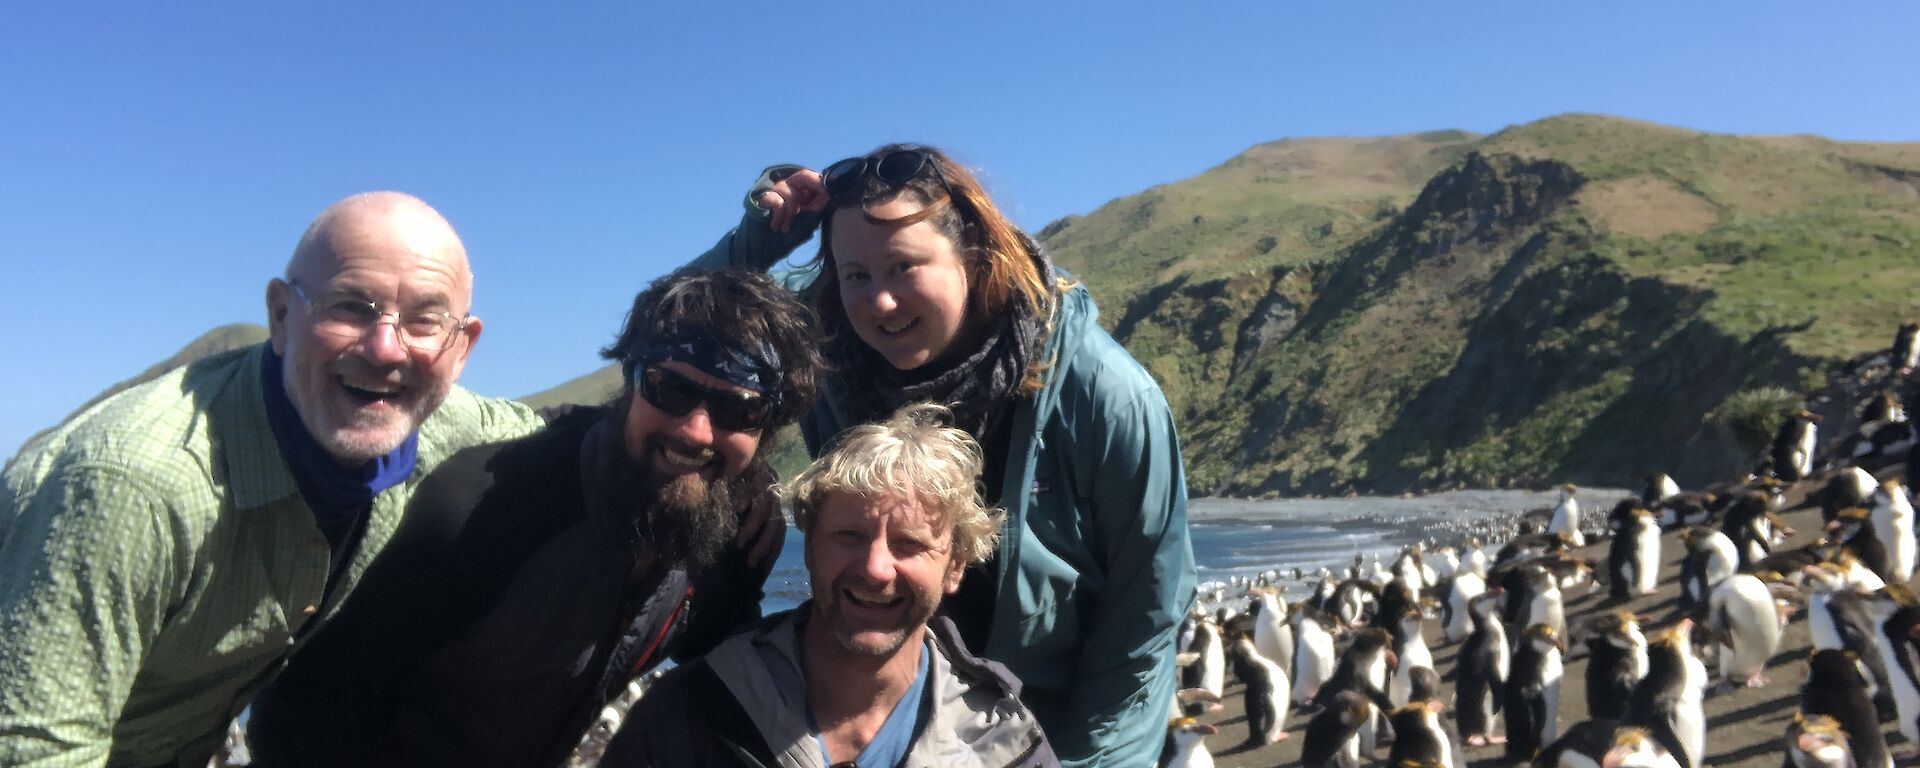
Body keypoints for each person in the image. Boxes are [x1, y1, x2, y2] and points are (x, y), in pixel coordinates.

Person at [0, 192, 546, 767]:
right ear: (282, 316)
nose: (386, 349)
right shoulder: (140, 489)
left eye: (425, 321)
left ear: (461, 348)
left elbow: (557, 437)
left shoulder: (444, 427)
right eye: (351, 307)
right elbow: (32, 749)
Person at [692, 145, 1197, 767]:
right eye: (856, 275)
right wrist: (759, 242)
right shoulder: (830, 347)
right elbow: (681, 332)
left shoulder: (1105, 396)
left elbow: (1142, 621)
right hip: (891, 726)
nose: (879, 301)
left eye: (904, 266)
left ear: (974, 257)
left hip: (1044, 738)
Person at [244, 266, 825, 767]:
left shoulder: (729, 530)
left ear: (767, 430)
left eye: (737, 408)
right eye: (669, 389)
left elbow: (726, 658)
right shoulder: (481, 509)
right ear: (630, 380)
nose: (696, 429)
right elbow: (300, 710)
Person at [601, 403, 1056, 767]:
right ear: (811, 546)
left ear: (955, 567)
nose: (876, 569)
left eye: (909, 544)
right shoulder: (693, 712)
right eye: (850, 536)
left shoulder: (1002, 743)